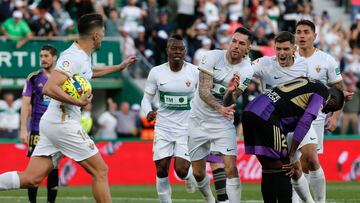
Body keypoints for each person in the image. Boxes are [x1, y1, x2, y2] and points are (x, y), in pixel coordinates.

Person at [0, 13, 136, 203]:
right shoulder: (73, 57)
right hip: (63, 123)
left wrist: (118, 67)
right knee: (101, 170)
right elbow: (49, 87)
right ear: (95, 36)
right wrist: (78, 102)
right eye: (103, 32)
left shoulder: (83, 56)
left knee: (32, 178)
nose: (104, 36)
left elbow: (89, 73)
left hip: (53, 122)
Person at [242, 77, 345, 203]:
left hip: (250, 110)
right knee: (286, 165)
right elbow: (305, 121)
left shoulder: (311, 82)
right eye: (330, 109)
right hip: (267, 115)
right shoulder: (322, 93)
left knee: (268, 166)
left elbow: (287, 108)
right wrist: (291, 153)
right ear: (332, 98)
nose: (326, 111)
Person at [188, 27, 254, 203]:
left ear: (248, 48)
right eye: (234, 41)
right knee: (198, 172)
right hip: (198, 119)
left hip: (222, 121)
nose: (236, 46)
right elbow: (203, 91)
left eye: (241, 43)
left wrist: (230, 91)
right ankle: (210, 199)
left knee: (231, 167)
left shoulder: (247, 70)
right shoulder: (211, 57)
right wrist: (220, 108)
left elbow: (229, 101)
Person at [294, 19, 352, 203]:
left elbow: (339, 93)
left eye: (306, 32)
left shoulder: (327, 60)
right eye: (299, 32)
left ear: (314, 36)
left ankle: (310, 199)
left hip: (316, 118)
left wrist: (334, 117)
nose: (302, 35)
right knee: (298, 160)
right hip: (291, 116)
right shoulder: (287, 56)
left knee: (308, 160)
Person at [141, 34, 198, 202]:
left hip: (186, 128)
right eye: (174, 48)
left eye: (181, 48)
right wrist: (148, 112)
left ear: (185, 51)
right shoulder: (156, 72)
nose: (177, 52)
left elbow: (203, 96)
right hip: (163, 127)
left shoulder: (194, 72)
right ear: (167, 50)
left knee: (180, 170)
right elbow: (146, 99)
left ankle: (189, 177)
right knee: (161, 170)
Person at [20, 45, 58, 203]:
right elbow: (25, 104)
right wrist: (24, 128)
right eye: (41, 56)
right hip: (37, 130)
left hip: (56, 130)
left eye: (46, 56)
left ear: (54, 57)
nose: (43, 59)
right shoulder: (33, 78)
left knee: (54, 167)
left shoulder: (63, 77)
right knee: (34, 169)